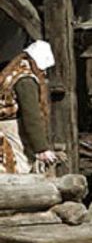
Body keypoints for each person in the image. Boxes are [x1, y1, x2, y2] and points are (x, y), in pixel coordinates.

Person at [0, 40, 58, 173]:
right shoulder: (25, 80)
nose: (44, 72)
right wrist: (41, 148)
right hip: (10, 132)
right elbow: (31, 116)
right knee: (19, 168)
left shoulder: (13, 71)